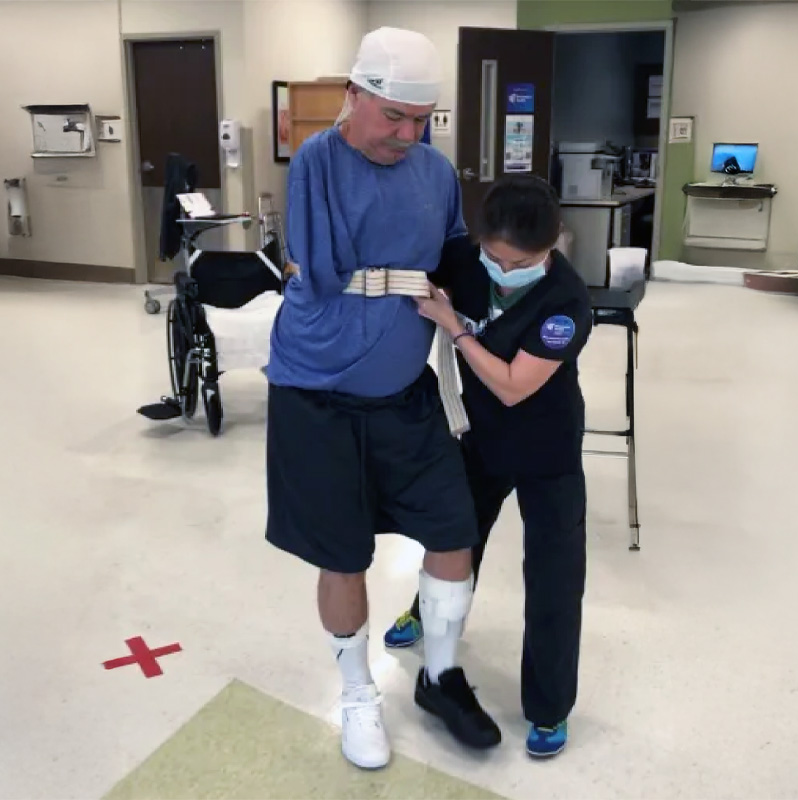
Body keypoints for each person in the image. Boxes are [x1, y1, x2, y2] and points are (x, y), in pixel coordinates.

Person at [265, 27, 501, 771]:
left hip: (406, 392)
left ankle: (439, 674)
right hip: (319, 391)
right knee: (342, 554)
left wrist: (515, 284)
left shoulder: (435, 171)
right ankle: (357, 691)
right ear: (354, 96)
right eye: (392, 116)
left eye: (421, 119)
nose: (407, 134)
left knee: (453, 531)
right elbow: (329, 272)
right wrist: (409, 277)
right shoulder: (318, 161)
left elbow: (456, 253)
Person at [383, 175, 593, 759]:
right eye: (494, 256)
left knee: (554, 580)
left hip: (547, 450)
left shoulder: (566, 303)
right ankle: (425, 613)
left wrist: (455, 328)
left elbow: (510, 387)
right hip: (480, 440)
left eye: (519, 262)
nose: (502, 269)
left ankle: (549, 709)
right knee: (456, 541)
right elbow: (411, 267)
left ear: (551, 248)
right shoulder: (469, 261)